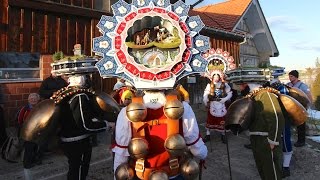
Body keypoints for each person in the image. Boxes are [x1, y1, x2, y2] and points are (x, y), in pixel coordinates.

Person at [113, 90, 207, 179]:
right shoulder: (183, 107)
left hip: (142, 175)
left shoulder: (126, 112)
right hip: (174, 173)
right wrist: (203, 155)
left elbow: (121, 156)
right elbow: (197, 150)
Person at [55, 75, 115, 180]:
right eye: (87, 77)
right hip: (78, 142)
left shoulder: (64, 93)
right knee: (78, 173)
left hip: (68, 139)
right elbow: (85, 125)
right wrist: (106, 125)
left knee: (74, 170)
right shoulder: (79, 96)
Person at [248, 85, 285, 180]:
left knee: (271, 173)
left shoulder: (265, 95)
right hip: (256, 138)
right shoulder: (253, 95)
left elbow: (276, 117)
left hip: (266, 139)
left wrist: (273, 140)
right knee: (262, 169)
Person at [270, 78, 293, 178]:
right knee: (274, 139)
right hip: (274, 117)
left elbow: (284, 104)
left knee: (285, 141)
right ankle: (276, 164)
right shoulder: (271, 87)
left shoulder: (282, 89)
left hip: (283, 118)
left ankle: (286, 167)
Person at [203, 72, 232, 143]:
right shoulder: (209, 85)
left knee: (222, 120)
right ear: (212, 77)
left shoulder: (224, 84)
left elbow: (230, 93)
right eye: (214, 77)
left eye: (217, 77)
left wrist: (224, 99)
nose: (216, 78)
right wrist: (205, 100)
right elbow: (206, 94)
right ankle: (208, 135)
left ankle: (223, 134)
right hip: (213, 104)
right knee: (210, 119)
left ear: (220, 77)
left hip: (221, 104)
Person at [287, 70, 313, 147]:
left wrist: (306, 107)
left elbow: (309, 96)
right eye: (289, 76)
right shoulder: (288, 85)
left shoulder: (303, 86)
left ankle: (301, 141)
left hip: (300, 108)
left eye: (291, 76)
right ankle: (289, 139)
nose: (289, 78)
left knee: (301, 125)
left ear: (296, 77)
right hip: (290, 107)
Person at [17, 93, 41, 169]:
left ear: (38, 100)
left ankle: (34, 160)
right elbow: (19, 120)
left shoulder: (40, 108)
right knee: (29, 148)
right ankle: (27, 163)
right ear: (28, 100)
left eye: (35, 99)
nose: (33, 100)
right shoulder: (25, 109)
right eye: (31, 99)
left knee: (36, 146)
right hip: (27, 132)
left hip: (37, 131)